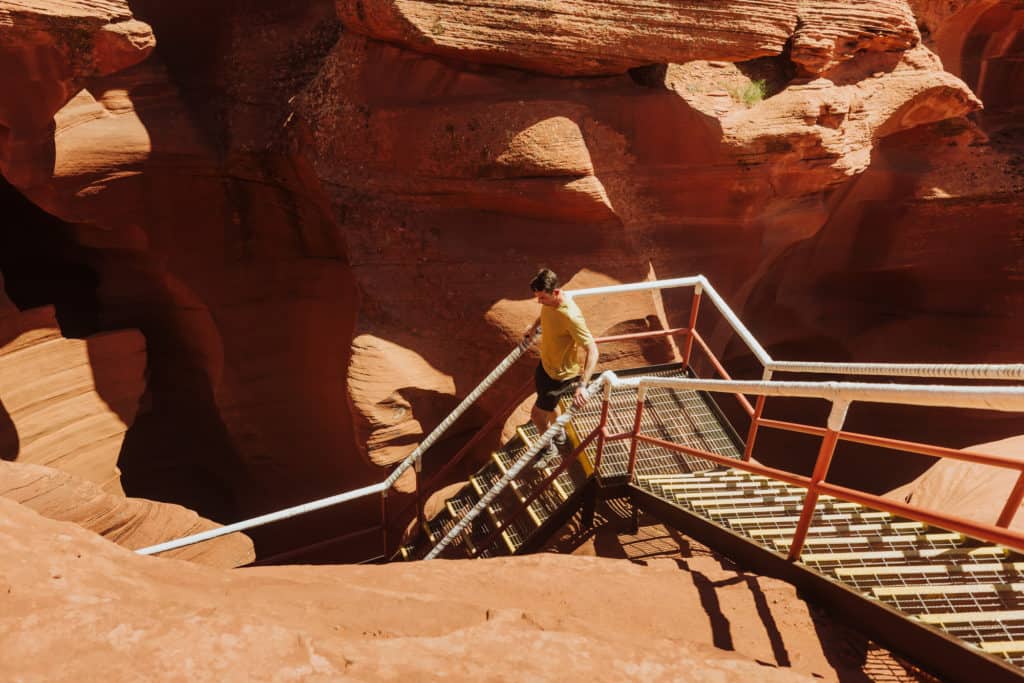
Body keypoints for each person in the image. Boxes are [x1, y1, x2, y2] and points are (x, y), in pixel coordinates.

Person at [526, 268, 599, 468]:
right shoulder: (549, 301)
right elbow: (544, 312)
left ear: (556, 292)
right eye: (537, 297)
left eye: (542, 297)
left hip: (559, 375)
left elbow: (593, 350)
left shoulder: (571, 316)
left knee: (536, 415)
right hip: (545, 365)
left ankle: (548, 448)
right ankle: (559, 433)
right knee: (550, 406)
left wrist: (583, 385)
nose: (539, 302)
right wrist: (533, 328)